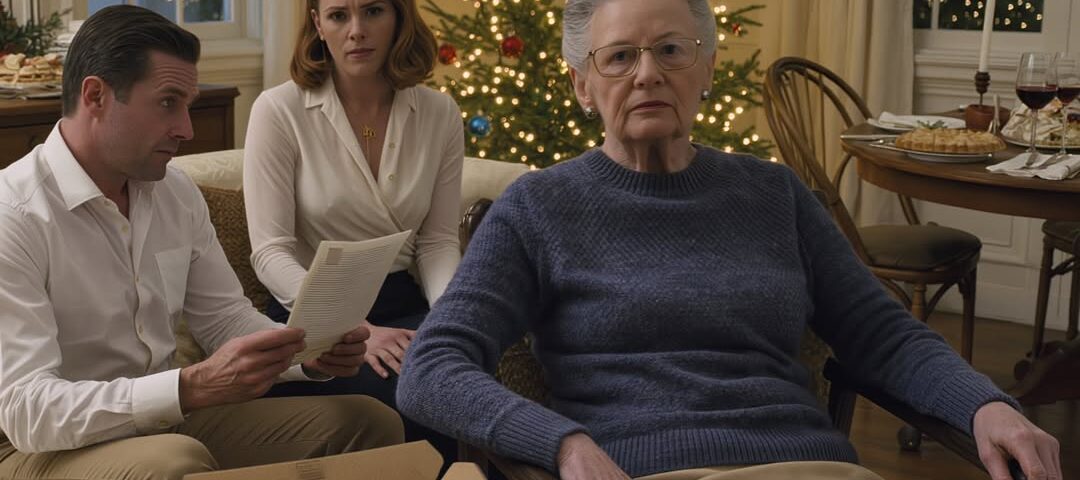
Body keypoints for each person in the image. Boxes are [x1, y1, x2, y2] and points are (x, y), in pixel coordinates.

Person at [396, 1, 1063, 479]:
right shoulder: (538, 208)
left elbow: (882, 334)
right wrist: (563, 444)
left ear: (707, 68)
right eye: (620, 56)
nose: (647, 74)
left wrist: (985, 407)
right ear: (583, 86)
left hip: (806, 465)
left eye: (671, 50)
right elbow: (433, 366)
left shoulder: (773, 194)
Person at [0, 6, 403, 480]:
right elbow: (27, 411)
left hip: (164, 422)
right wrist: (188, 387)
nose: (186, 129)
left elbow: (225, 319)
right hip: (34, 448)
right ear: (96, 96)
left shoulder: (174, 192)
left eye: (188, 105)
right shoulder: (14, 215)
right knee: (174, 462)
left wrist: (304, 354)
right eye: (168, 103)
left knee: (367, 423)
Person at [242, 0, 464, 464]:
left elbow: (437, 241)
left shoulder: (439, 112)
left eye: (374, 11)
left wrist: (451, 320)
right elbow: (270, 252)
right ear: (318, 24)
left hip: (404, 303)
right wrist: (352, 328)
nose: (357, 30)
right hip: (313, 312)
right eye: (339, 15)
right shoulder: (278, 109)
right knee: (407, 392)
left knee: (460, 377)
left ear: (399, 17)